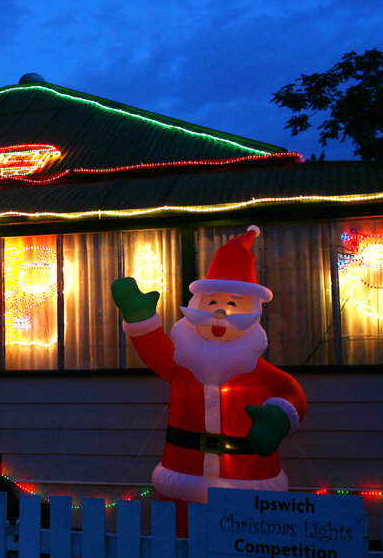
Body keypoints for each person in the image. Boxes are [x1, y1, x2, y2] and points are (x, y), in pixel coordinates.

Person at [112, 225, 307, 536]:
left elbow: (292, 393)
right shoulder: (183, 363)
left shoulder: (257, 371)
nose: (219, 314)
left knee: (244, 541)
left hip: (250, 479)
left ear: (251, 312)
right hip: (182, 476)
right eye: (212, 304)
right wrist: (140, 318)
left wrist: (279, 417)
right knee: (181, 539)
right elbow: (154, 349)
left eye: (232, 305)